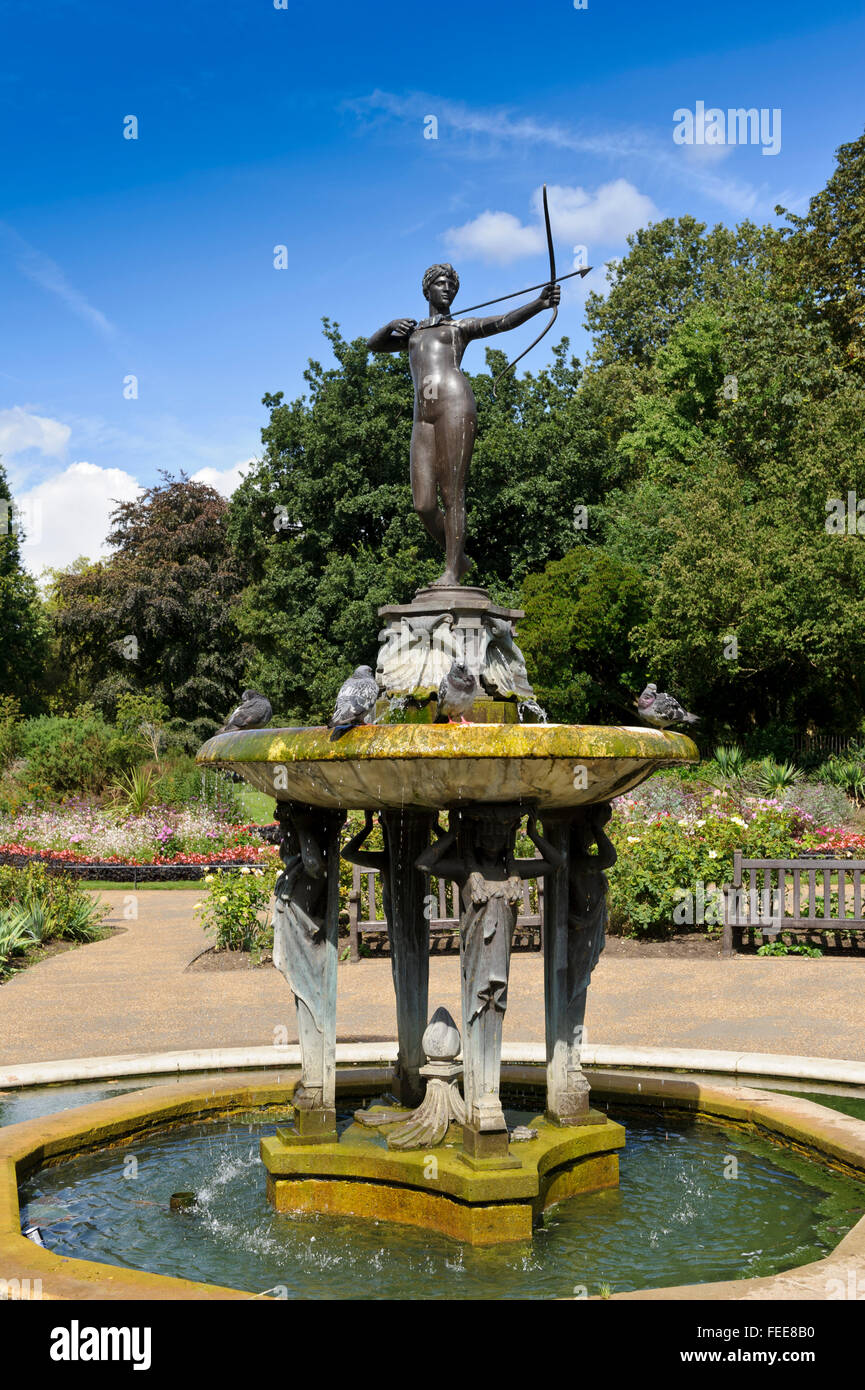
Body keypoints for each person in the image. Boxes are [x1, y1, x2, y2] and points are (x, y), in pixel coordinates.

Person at [367, 264, 560, 586]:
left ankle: (451, 572)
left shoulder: (459, 327)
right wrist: (389, 326)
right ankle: (458, 557)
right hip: (422, 415)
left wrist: (539, 304)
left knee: (452, 492)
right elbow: (374, 345)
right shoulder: (413, 334)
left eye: (451, 286)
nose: (447, 290)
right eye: (440, 284)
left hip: (454, 404)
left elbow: (501, 322)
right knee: (423, 504)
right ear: (426, 290)